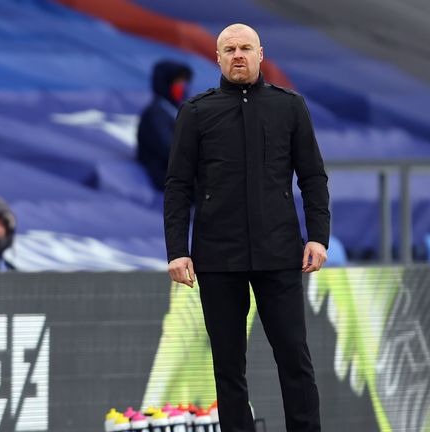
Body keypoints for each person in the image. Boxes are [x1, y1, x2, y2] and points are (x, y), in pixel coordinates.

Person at [163, 24, 329, 432]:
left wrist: (319, 237)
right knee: (228, 366)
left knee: (294, 358)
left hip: (279, 253)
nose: (238, 55)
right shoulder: (197, 112)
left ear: (260, 54)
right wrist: (176, 249)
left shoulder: (290, 106)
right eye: (229, 49)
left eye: (245, 48)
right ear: (217, 58)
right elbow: (178, 185)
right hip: (218, 258)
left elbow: (312, 176)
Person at [137, 60, 193, 190]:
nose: (183, 87)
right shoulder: (155, 115)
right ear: (165, 84)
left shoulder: (175, 111)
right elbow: (171, 150)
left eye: (184, 82)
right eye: (178, 82)